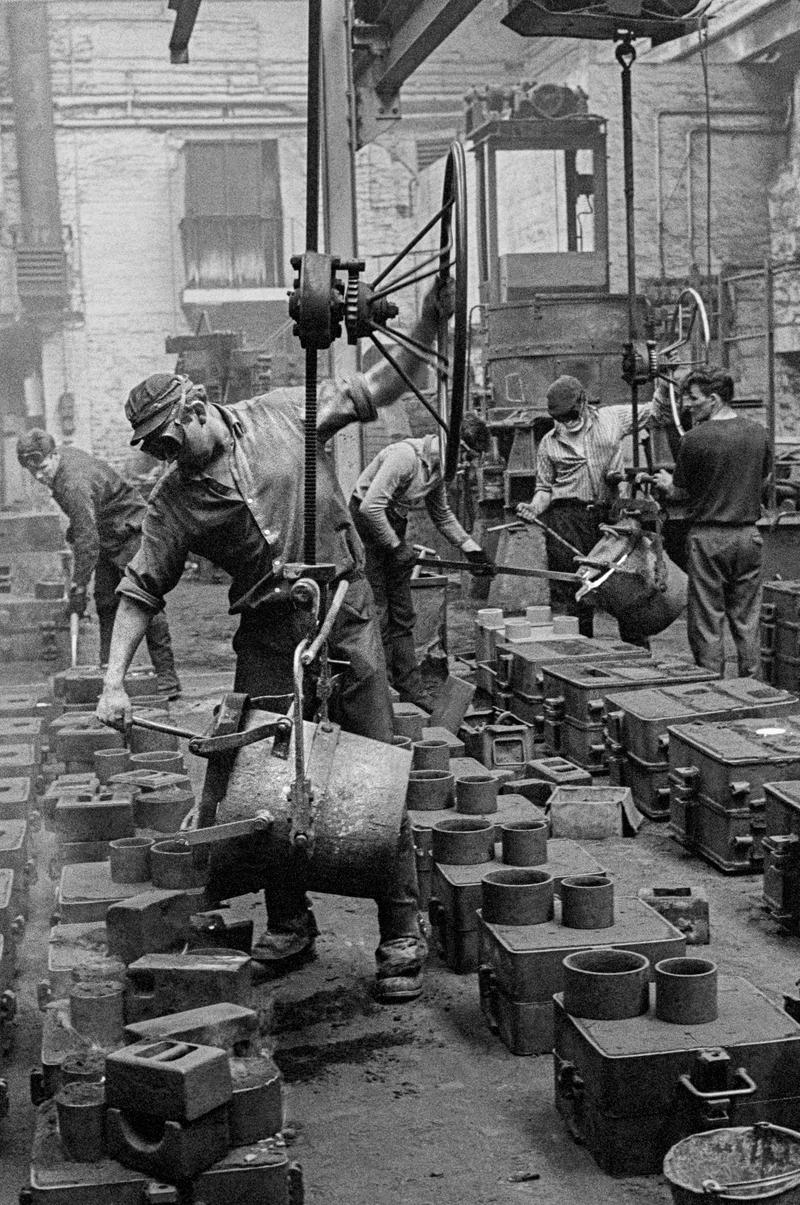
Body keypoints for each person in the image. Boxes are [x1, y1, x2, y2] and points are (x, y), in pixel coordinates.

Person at [95, 285, 453, 1003]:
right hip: (266, 635)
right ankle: (291, 922)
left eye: (170, 438)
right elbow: (139, 589)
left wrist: (430, 320)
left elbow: (380, 383)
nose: (166, 454)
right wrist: (112, 681)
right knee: (264, 787)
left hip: (344, 616)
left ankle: (400, 930)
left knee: (378, 764)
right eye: (155, 448)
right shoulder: (175, 499)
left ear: (197, 408)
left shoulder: (291, 408)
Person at [16, 429, 181, 698]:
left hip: (131, 532)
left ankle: (167, 679)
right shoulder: (61, 464)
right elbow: (87, 525)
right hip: (108, 535)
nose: (39, 475)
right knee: (106, 601)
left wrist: (78, 589)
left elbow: (87, 540)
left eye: (43, 467)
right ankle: (108, 671)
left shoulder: (72, 483)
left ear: (54, 456)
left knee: (145, 602)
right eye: (32, 471)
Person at [349, 412, 494, 710]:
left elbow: (441, 515)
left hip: (392, 524)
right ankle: (380, 688)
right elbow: (369, 507)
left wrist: (471, 549)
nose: (467, 466)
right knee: (379, 610)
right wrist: (395, 546)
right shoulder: (405, 457)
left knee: (403, 612)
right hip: (367, 523)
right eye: (466, 457)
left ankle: (410, 686)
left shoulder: (438, 470)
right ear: (453, 446)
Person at [516, 374, 669, 643]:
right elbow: (544, 489)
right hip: (567, 520)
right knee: (572, 594)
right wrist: (533, 508)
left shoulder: (611, 418)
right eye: (560, 418)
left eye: (570, 416)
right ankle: (579, 656)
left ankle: (636, 656)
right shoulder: (549, 443)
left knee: (627, 584)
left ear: (584, 402)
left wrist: (665, 385)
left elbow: (655, 413)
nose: (565, 423)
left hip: (611, 518)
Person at [654, 367, 770, 677]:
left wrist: (666, 482)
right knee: (748, 620)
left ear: (714, 399)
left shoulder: (694, 439)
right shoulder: (759, 432)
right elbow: (765, 476)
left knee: (707, 621)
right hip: (749, 537)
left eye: (692, 398)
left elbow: (680, 490)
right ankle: (755, 692)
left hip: (708, 539)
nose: (687, 405)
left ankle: (712, 691)